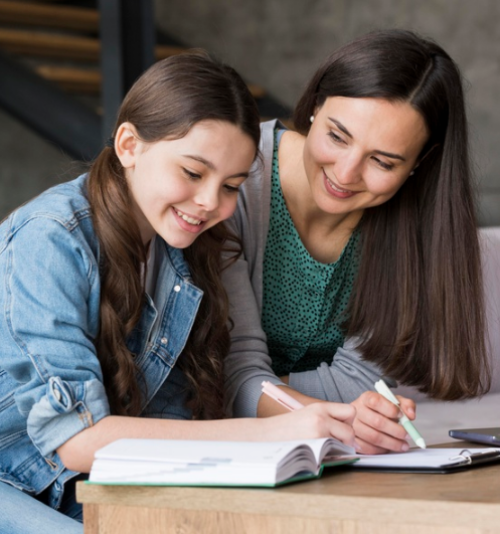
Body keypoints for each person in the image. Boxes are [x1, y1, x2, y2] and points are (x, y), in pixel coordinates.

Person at [0, 53, 356, 533]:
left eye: (231, 185)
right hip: (14, 474)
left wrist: (328, 424)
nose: (211, 202)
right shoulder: (51, 238)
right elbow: (77, 438)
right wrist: (269, 434)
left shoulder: (190, 251)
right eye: (192, 173)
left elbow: (176, 419)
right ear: (129, 145)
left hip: (92, 483)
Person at [223, 29, 491, 454]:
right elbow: (228, 374)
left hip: (317, 453)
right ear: (315, 107)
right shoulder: (232, 178)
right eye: (337, 136)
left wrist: (282, 398)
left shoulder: (415, 228)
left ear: (419, 163)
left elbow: (360, 381)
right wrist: (340, 415)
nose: (345, 174)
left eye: (382, 161)